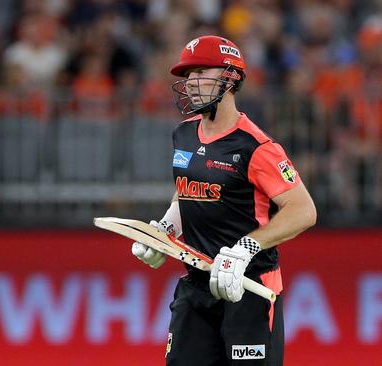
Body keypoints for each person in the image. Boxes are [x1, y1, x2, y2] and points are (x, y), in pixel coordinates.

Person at [131, 35, 316, 365]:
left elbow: (303, 210)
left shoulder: (256, 147)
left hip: (249, 288)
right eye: (187, 75)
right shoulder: (184, 133)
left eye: (201, 72)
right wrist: (166, 228)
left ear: (230, 78)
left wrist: (245, 249)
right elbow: (186, 189)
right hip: (196, 287)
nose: (190, 83)